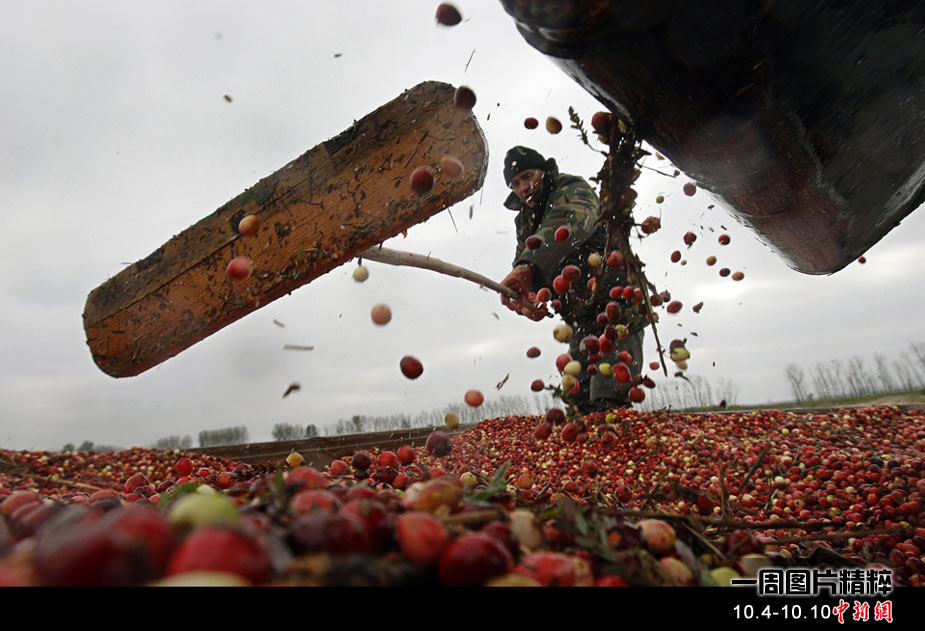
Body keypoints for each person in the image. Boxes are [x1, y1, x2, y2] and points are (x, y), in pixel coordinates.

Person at [498, 146, 645, 414]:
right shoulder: (525, 220)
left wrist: (527, 269)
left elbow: (568, 224)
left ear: (544, 172)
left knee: (609, 398)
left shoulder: (571, 189)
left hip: (617, 307)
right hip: (581, 318)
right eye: (515, 183)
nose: (523, 187)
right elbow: (525, 259)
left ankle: (616, 438)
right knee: (578, 402)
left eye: (528, 176)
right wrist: (529, 296)